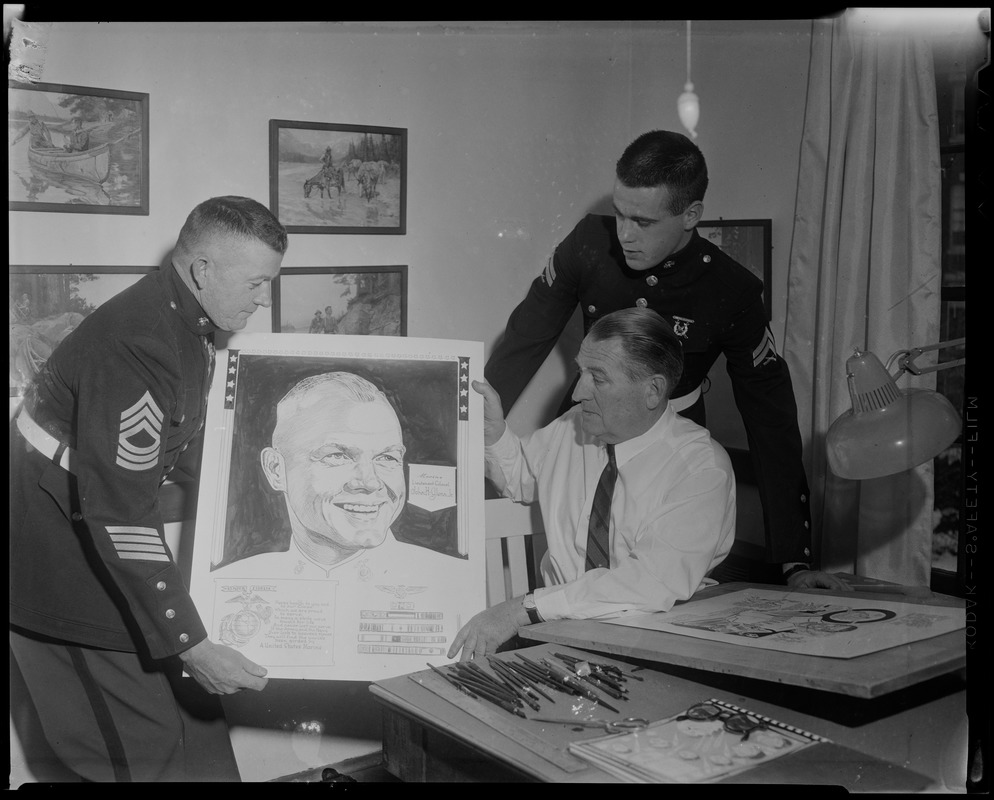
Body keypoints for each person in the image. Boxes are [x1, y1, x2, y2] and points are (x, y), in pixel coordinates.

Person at [484, 130, 847, 592]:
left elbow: (770, 416)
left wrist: (795, 560)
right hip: (589, 416)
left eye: (644, 222)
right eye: (619, 214)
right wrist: (467, 426)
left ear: (691, 216)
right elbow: (524, 338)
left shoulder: (732, 290)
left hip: (668, 432)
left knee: (658, 575)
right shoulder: (588, 244)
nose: (625, 235)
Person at [9, 195, 289, 782]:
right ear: (203, 270)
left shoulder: (188, 318)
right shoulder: (138, 342)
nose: (264, 301)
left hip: (92, 530)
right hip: (53, 563)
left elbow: (173, 441)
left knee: (199, 744)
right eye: (257, 284)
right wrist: (189, 642)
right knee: (138, 756)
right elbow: (121, 512)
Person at [449, 308, 736, 661]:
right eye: (580, 372)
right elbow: (522, 477)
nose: (577, 393)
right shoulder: (575, 425)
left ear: (653, 391)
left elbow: (647, 583)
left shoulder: (701, 468)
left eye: (597, 378)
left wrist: (521, 608)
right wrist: (494, 434)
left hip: (652, 643)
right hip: (557, 633)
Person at [216, 371, 451, 579]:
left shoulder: (447, 582)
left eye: (387, 458)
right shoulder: (234, 584)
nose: (370, 482)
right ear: (276, 470)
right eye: (337, 456)